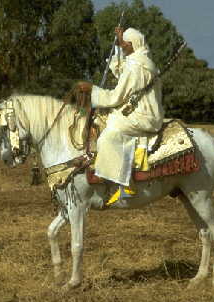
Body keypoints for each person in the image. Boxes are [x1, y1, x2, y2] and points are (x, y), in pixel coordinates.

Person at [78, 27, 164, 201]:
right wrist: (119, 41)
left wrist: (93, 89)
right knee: (103, 119)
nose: (122, 46)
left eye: (125, 43)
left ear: (132, 44)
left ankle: (125, 184)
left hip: (144, 116)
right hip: (139, 110)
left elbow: (116, 96)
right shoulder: (140, 61)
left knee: (108, 136)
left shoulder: (137, 68)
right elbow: (121, 71)